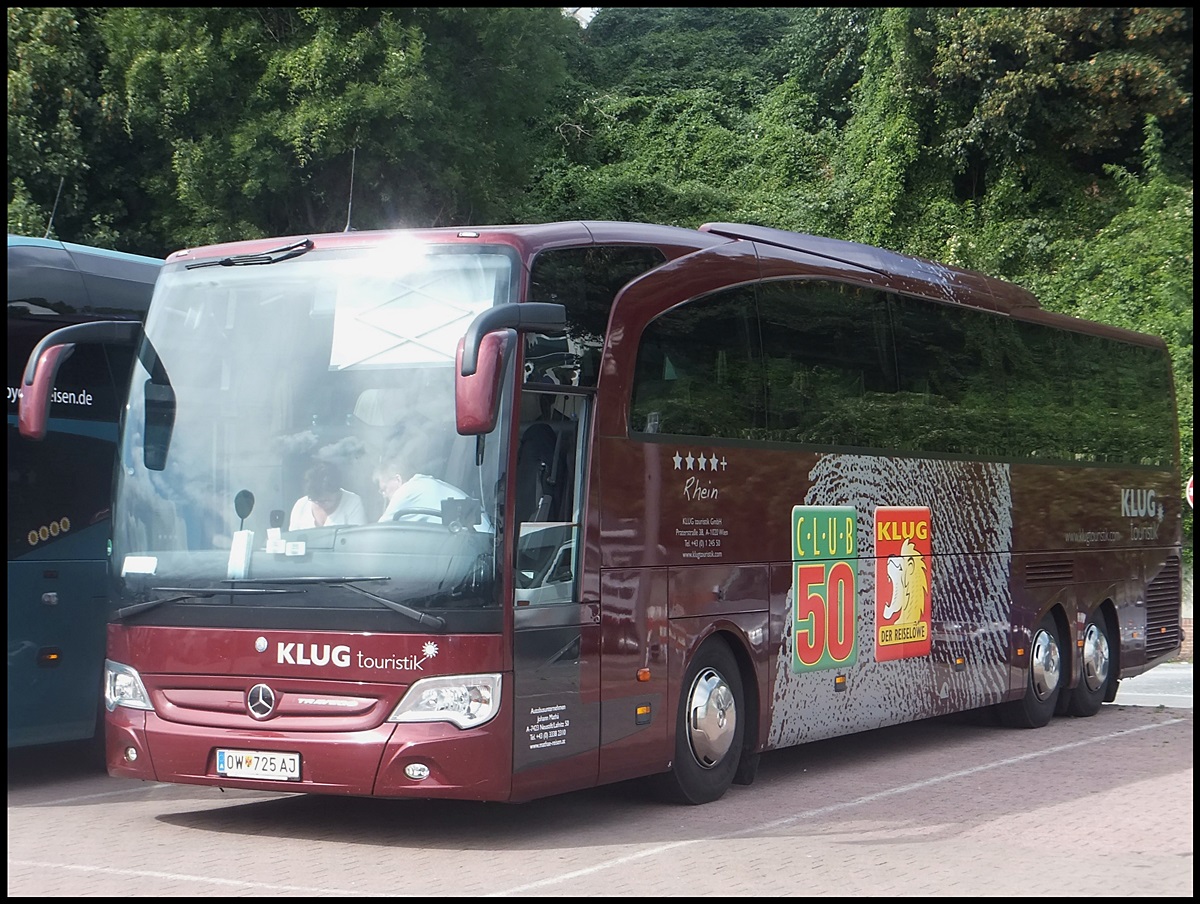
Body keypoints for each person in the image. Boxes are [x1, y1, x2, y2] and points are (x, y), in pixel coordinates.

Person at [375, 451, 492, 531]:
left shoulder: (406, 491)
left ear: (397, 479)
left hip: (478, 547)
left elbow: (379, 533)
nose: (384, 495)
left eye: (384, 489)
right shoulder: (424, 484)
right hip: (482, 544)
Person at [289, 461, 367, 529]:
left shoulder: (353, 502)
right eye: (316, 501)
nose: (320, 504)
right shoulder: (301, 505)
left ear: (337, 491)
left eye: (326, 500)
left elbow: (359, 539)